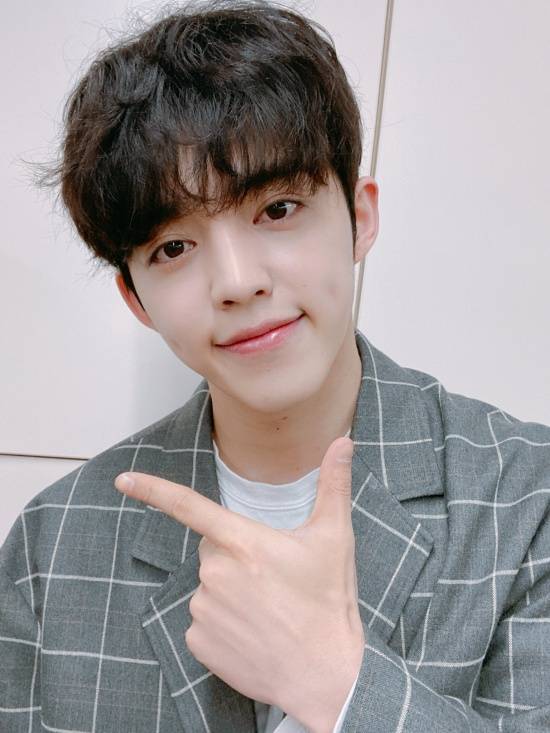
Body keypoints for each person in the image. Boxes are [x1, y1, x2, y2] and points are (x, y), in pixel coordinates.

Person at [1, 1, 549, 731]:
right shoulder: (53, 542)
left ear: (359, 218)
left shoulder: (525, 500)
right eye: (173, 248)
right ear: (136, 299)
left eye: (279, 209)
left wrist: (334, 682)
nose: (237, 281)